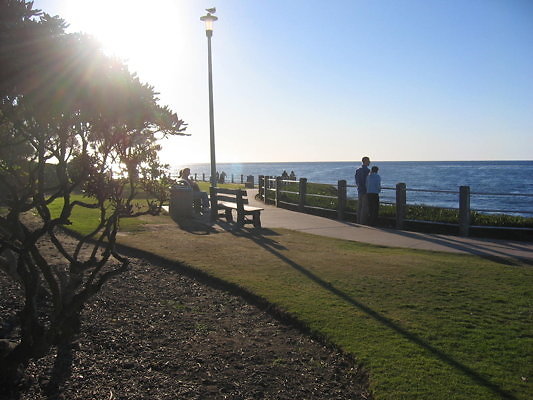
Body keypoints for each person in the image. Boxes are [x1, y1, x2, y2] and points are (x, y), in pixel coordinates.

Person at [355, 156, 371, 224]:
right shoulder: (367, 171)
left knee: (359, 206)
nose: (370, 162)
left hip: (359, 190)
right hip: (366, 190)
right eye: (368, 161)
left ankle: (358, 221)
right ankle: (363, 222)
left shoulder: (358, 170)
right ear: (365, 161)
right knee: (364, 207)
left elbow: (357, 181)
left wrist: (359, 186)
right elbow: (368, 181)